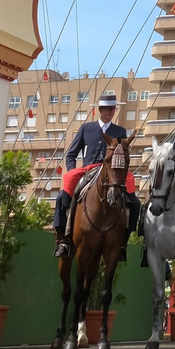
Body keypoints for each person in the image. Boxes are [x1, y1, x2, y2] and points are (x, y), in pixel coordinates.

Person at [53, 92, 134, 259]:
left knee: (134, 203)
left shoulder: (120, 131)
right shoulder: (86, 128)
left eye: (113, 108)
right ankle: (63, 239)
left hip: (112, 173)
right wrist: (72, 170)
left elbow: (124, 155)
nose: (111, 111)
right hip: (88, 169)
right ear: (100, 110)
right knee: (62, 197)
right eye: (108, 108)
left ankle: (123, 243)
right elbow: (71, 154)